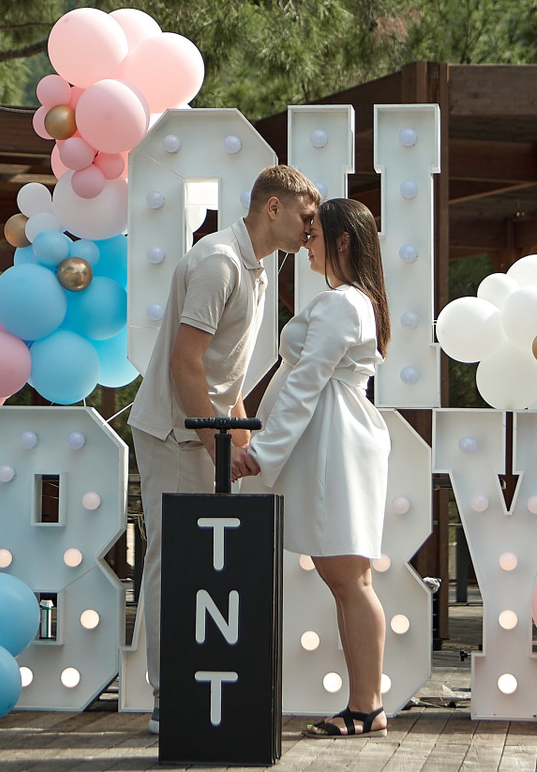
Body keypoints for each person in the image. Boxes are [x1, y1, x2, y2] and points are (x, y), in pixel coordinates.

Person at [127, 163, 320, 734]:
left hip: (203, 429)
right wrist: (217, 445)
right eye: (306, 215)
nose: (312, 228)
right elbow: (185, 363)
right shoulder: (219, 262)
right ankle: (168, 697)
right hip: (174, 432)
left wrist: (239, 434)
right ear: (274, 208)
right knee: (172, 561)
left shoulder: (254, 266)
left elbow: (223, 370)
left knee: (202, 564)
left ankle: (195, 685)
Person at [233, 195, 392, 738]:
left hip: (334, 446)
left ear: (342, 241)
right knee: (347, 577)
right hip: (333, 442)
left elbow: (306, 381)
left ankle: (366, 706)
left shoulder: (343, 304)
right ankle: (365, 704)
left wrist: (262, 452)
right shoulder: (353, 301)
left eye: (315, 235)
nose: (306, 244)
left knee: (349, 577)